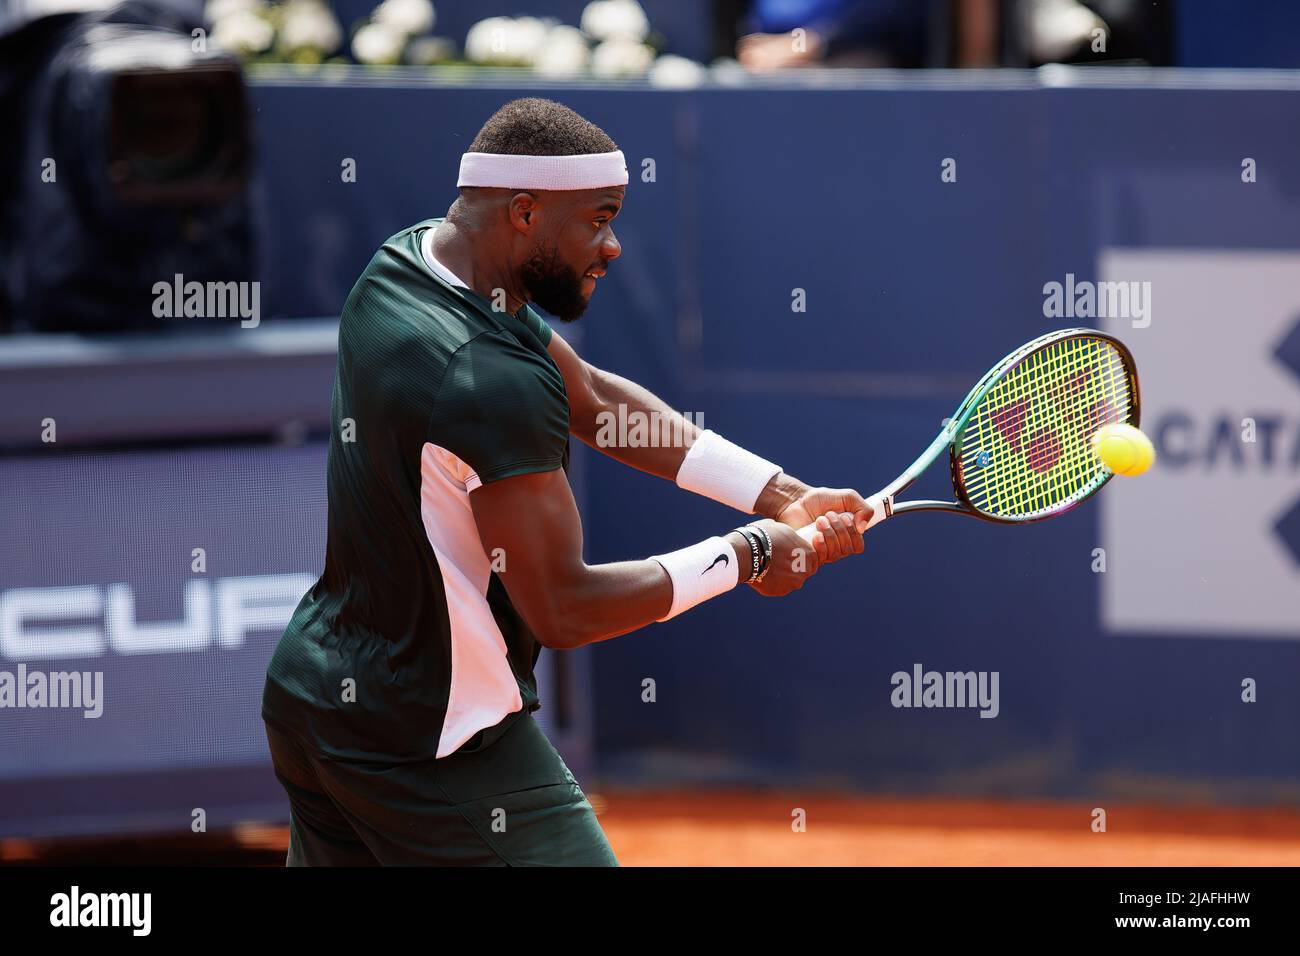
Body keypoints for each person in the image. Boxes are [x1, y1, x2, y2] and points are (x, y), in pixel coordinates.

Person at [261, 97, 874, 866]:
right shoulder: (487, 383)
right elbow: (564, 608)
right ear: (524, 212)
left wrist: (776, 493)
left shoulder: (414, 264)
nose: (612, 246)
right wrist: (748, 554)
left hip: (318, 698)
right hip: (434, 740)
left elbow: (594, 400)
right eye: (598, 218)